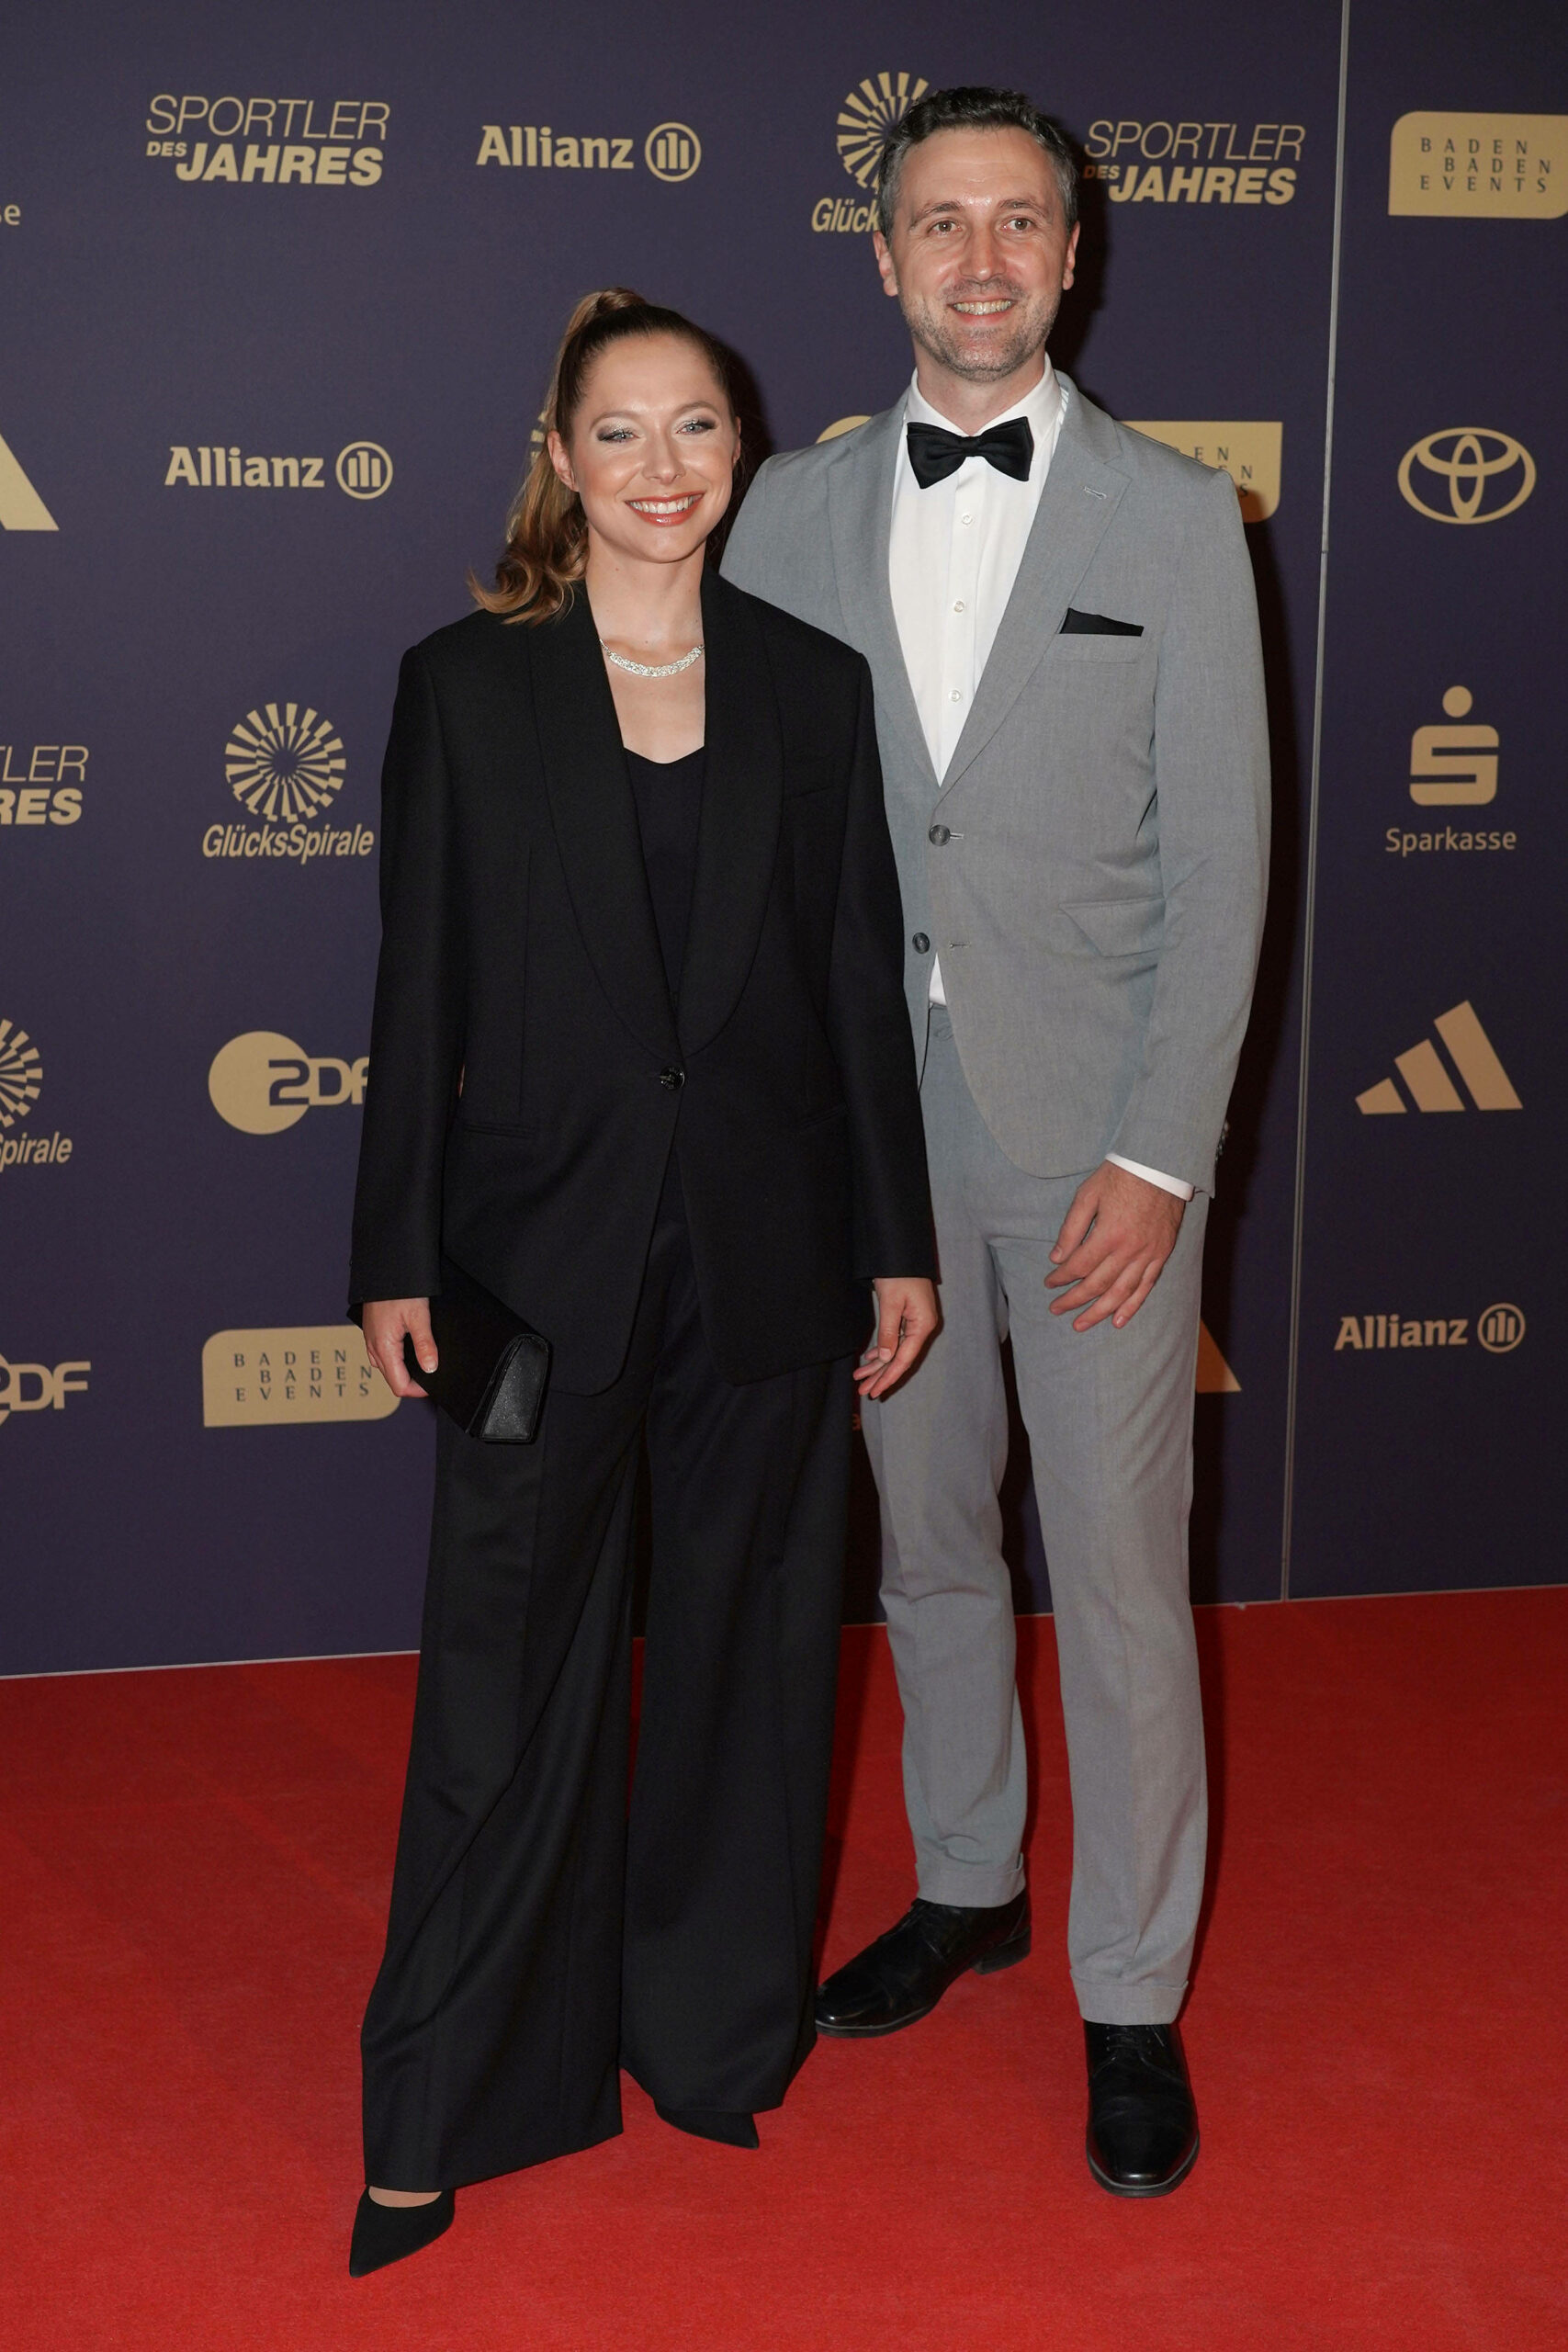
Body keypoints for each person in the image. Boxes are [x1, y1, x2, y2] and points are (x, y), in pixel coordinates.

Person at [346, 288, 937, 2274]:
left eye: (699, 428)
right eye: (623, 431)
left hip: (768, 1258)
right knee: (501, 1689)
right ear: (560, 454)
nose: (664, 467)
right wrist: (392, 1251)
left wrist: (891, 1237)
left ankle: (705, 2034)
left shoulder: (812, 681)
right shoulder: (463, 682)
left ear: (738, 454)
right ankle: (443, 2096)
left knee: (754, 1665)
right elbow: (413, 987)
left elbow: (855, 987)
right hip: (530, 1264)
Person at [724, 86, 1269, 2196]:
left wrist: (1160, 1156)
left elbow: (1224, 864)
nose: (974, 259)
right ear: (880, 257)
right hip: (863, 1138)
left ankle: (1128, 1992)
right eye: (934, 223)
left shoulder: (1171, 515)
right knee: (925, 1540)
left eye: (1012, 223)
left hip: (1089, 1143)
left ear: (1071, 254)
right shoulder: (779, 509)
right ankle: (968, 1883)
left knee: (1122, 1576)